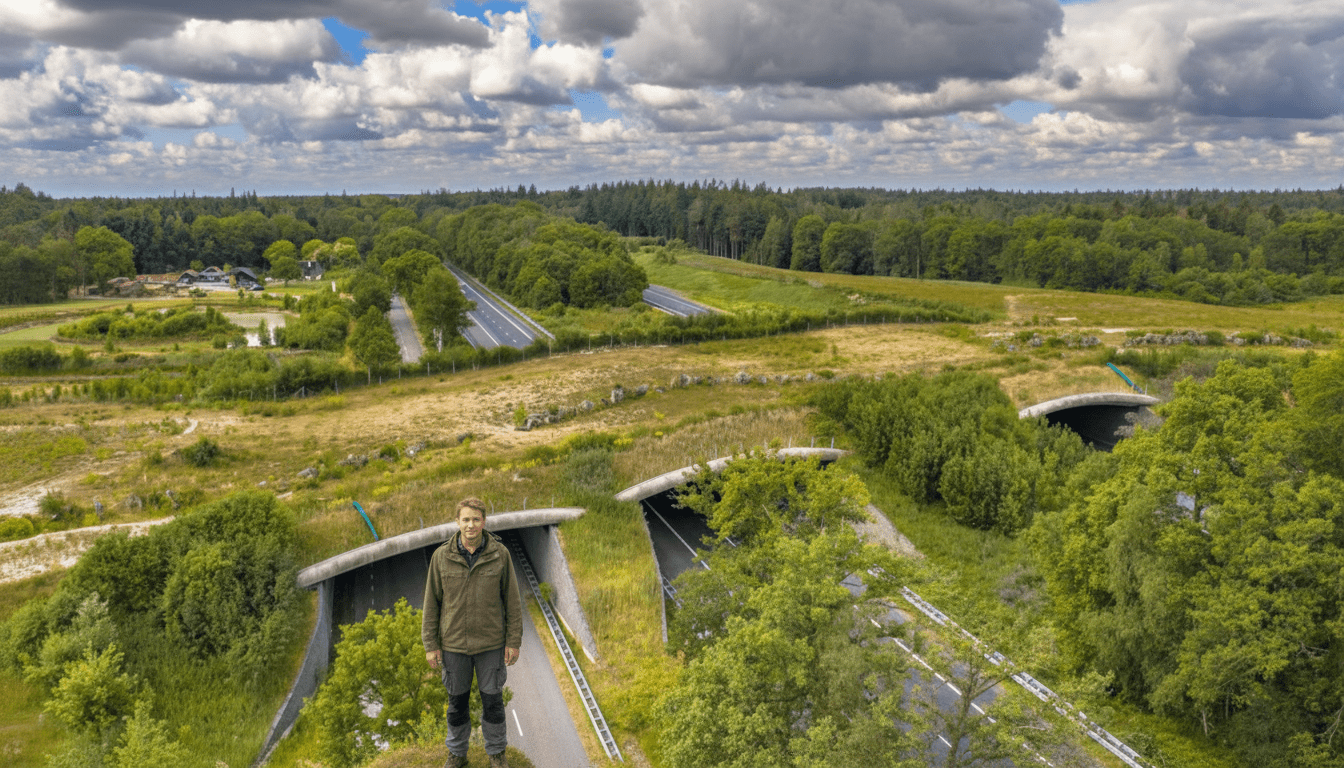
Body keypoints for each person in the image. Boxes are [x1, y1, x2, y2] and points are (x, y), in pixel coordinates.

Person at [422, 497, 522, 768]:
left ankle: (497, 755)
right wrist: (431, 645)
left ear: (484, 522)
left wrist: (513, 641)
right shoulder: (441, 557)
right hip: (453, 646)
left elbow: (512, 601)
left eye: (476, 519)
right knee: (457, 705)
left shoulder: (500, 555)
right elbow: (431, 604)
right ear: (457, 522)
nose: (471, 525)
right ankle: (457, 754)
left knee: (493, 704)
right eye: (465, 519)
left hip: (491, 645)